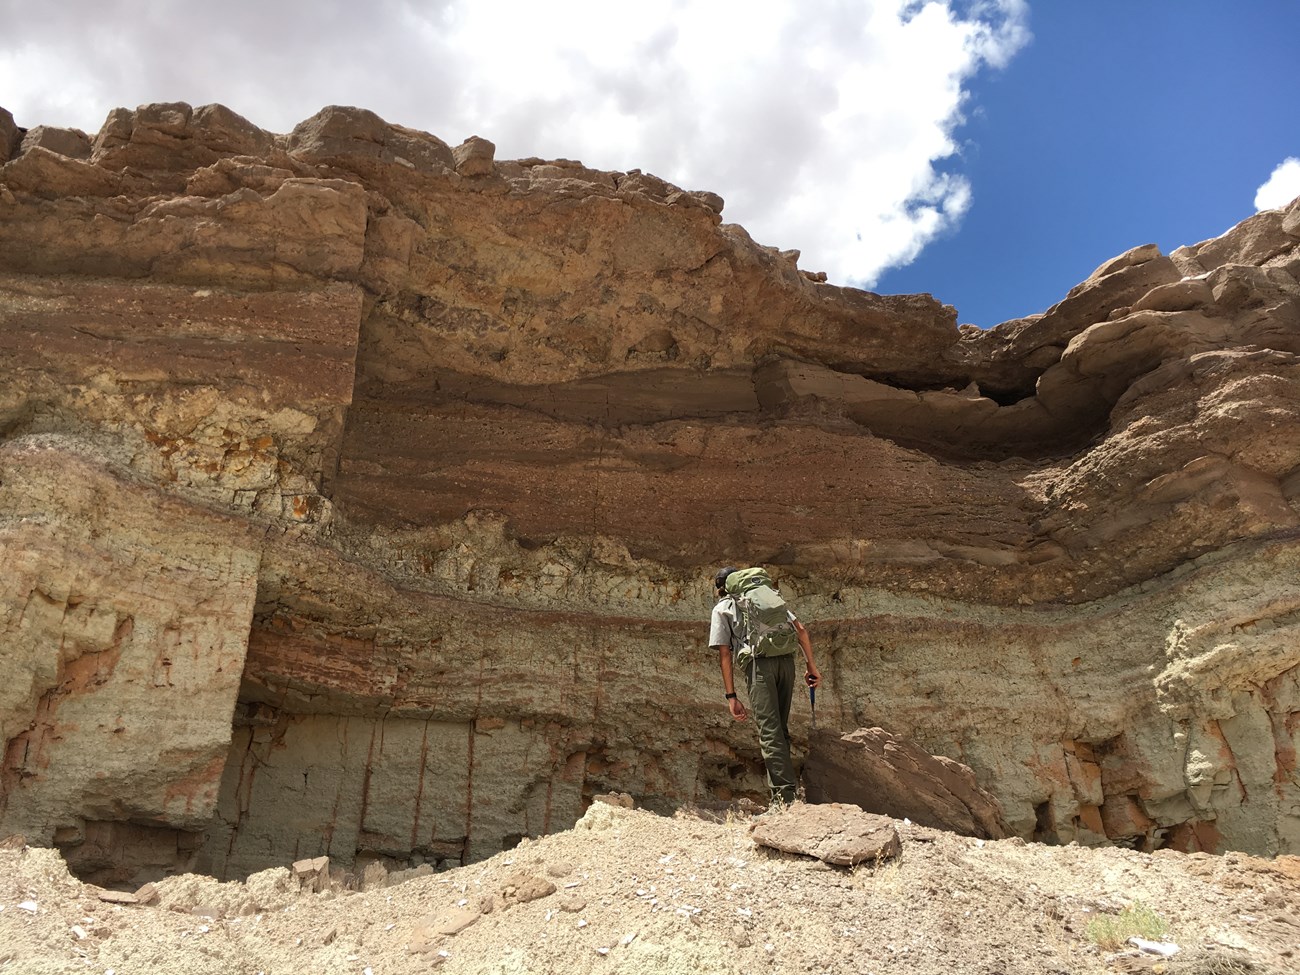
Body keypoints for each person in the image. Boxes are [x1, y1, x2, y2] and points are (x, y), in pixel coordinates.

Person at [709, 565, 821, 807]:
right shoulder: (766, 596)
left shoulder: (723, 608)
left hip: (759, 667)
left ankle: (783, 802)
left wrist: (731, 695)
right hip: (787, 663)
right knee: (780, 730)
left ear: (721, 588)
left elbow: (725, 653)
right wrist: (811, 666)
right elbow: (801, 630)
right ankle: (787, 794)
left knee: (770, 733)